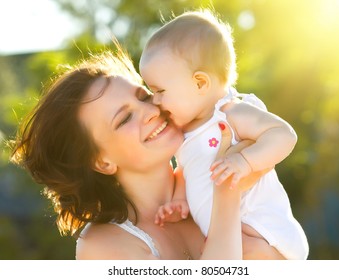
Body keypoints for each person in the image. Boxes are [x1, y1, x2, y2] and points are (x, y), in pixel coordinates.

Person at [10, 43, 285, 259]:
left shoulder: (206, 182)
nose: (151, 111)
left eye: (143, 96)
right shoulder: (102, 247)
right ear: (101, 162)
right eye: (124, 119)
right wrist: (226, 188)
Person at [139, 9, 309, 259]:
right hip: (227, 235)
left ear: (200, 83)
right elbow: (188, 171)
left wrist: (245, 161)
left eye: (160, 90)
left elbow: (283, 135)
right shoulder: (184, 133)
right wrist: (180, 202)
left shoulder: (231, 113)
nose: (155, 101)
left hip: (260, 231)